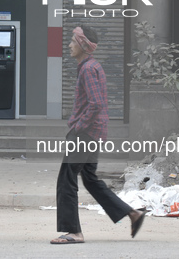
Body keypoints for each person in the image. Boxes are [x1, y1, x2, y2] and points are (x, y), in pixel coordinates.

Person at [50, 25, 146, 245]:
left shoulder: (88, 69)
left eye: (73, 41)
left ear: (83, 45)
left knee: (66, 179)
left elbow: (96, 104)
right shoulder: (90, 66)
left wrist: (77, 128)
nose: (69, 45)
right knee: (91, 180)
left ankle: (73, 232)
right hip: (91, 134)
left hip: (85, 135)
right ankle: (133, 214)